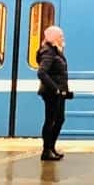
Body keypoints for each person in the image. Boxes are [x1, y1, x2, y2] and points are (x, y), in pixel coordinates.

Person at [35, 25, 73, 162]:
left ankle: (51, 148)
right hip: (51, 93)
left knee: (59, 119)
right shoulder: (48, 51)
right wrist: (55, 89)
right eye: (60, 36)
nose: (63, 38)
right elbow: (41, 72)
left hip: (59, 93)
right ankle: (46, 150)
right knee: (50, 121)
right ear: (54, 38)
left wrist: (64, 91)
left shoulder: (55, 51)